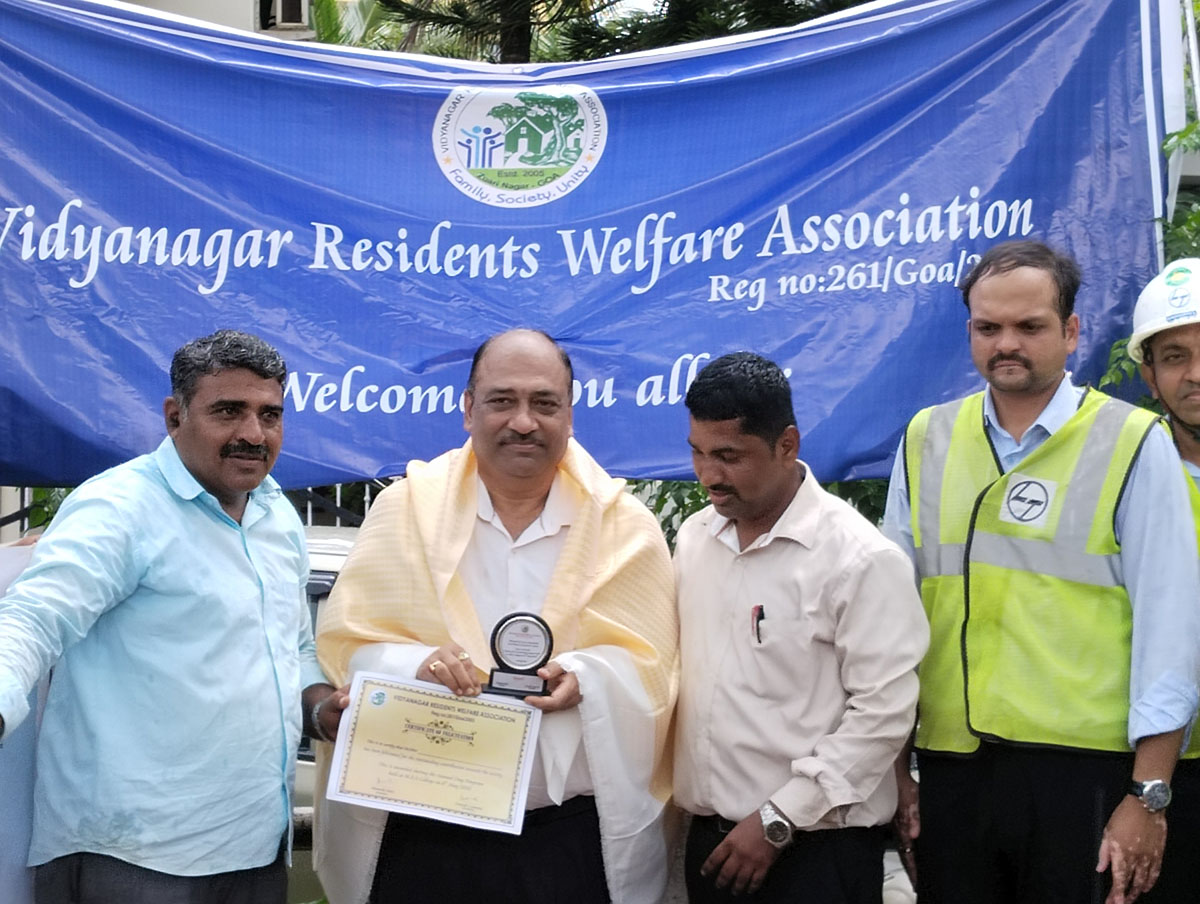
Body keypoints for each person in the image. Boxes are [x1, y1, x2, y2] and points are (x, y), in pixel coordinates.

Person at [882, 241, 1200, 904]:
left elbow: (1172, 632)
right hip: (954, 770)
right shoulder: (926, 437)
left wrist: (1149, 794)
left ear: (1071, 331)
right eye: (988, 327)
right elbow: (890, 620)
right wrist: (897, 771)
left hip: (1081, 777)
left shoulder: (1132, 441)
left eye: (1030, 327)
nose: (1007, 344)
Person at [313, 328, 679, 904]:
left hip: (565, 842)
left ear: (570, 414)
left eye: (544, 403)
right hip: (422, 833)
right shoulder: (405, 508)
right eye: (502, 400)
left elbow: (657, 671)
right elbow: (346, 644)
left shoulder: (625, 527)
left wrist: (590, 677)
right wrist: (415, 665)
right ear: (467, 409)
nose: (524, 421)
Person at [0, 329, 344, 904]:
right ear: (174, 415)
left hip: (254, 846)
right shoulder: (120, 508)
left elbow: (296, 649)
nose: (252, 434)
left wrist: (320, 707)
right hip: (132, 855)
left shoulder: (276, 513)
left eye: (269, 414)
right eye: (228, 411)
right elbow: (34, 618)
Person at [672, 351, 929, 904]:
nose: (709, 476)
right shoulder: (695, 539)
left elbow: (883, 715)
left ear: (786, 445)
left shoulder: (860, 560)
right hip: (711, 851)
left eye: (729, 457)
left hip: (813, 857)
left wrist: (778, 819)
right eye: (697, 453)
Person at [1125, 258, 1200, 903]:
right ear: (1149, 376)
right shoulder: (1119, 476)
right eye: (1175, 356)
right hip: (1157, 775)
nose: (1196, 374)